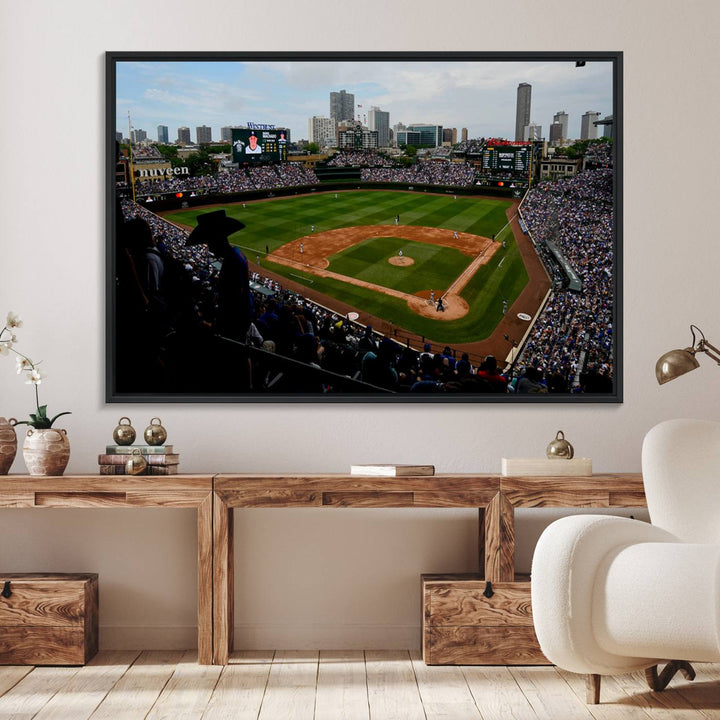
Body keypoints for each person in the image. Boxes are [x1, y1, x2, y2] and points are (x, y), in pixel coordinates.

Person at [186, 209, 251, 341]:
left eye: (210, 242)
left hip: (234, 325)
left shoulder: (232, 261)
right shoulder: (236, 254)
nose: (210, 248)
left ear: (217, 240)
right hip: (240, 320)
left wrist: (216, 325)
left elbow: (234, 299)